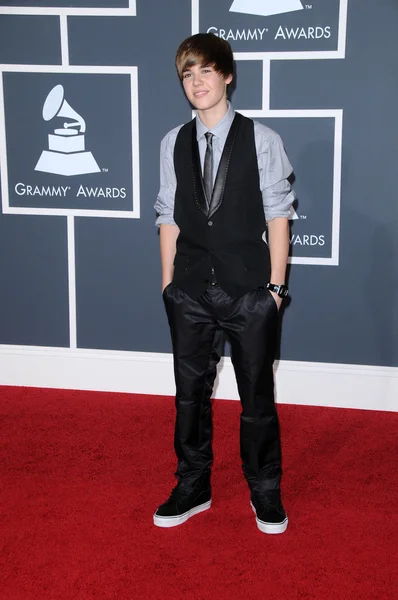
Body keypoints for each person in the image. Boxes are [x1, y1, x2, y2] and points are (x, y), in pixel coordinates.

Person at [153, 32, 294, 534]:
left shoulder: (263, 139)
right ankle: (193, 484)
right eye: (188, 74)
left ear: (227, 74)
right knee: (188, 395)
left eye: (206, 71)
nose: (197, 82)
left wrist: (275, 291)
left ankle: (265, 489)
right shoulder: (174, 141)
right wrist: (169, 285)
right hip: (189, 291)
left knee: (257, 397)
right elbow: (168, 214)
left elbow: (279, 215)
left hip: (249, 291)